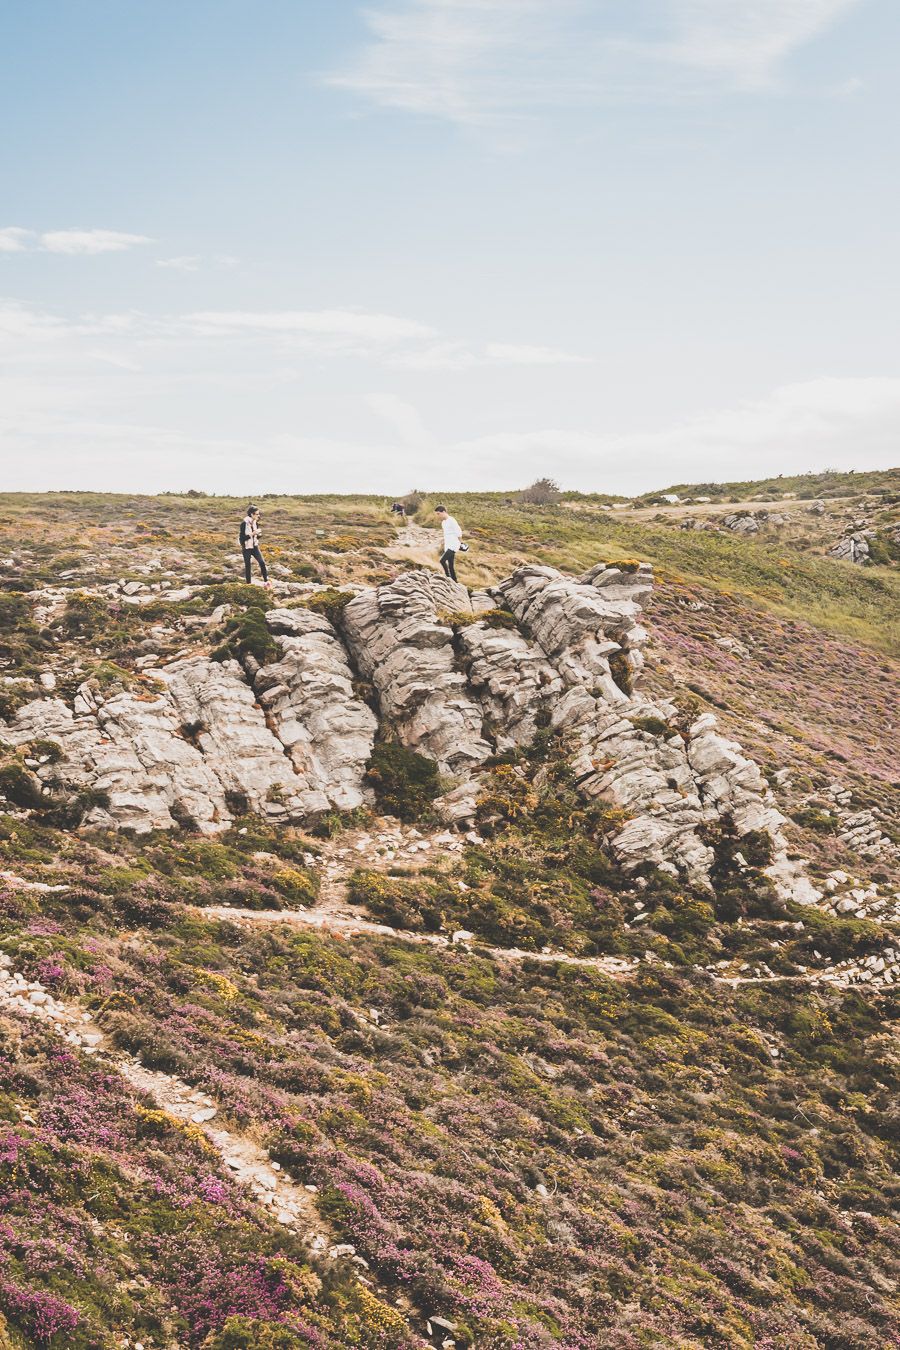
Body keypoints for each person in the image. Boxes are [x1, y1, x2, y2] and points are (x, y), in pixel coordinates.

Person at [239, 505, 271, 586]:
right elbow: (241, 538)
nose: (258, 516)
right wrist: (252, 534)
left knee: (262, 562)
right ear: (251, 514)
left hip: (255, 546)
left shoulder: (256, 523)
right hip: (246, 547)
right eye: (257, 514)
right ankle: (248, 585)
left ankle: (266, 581)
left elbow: (257, 536)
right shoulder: (244, 524)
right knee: (248, 566)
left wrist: (259, 534)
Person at [435, 504, 463, 581]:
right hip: (448, 545)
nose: (438, 516)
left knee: (442, 560)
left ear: (443, 512)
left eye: (438, 514)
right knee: (450, 565)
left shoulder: (452, 520)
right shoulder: (443, 523)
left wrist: (460, 544)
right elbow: (446, 534)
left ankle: (447, 577)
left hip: (454, 545)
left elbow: (459, 532)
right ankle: (455, 581)